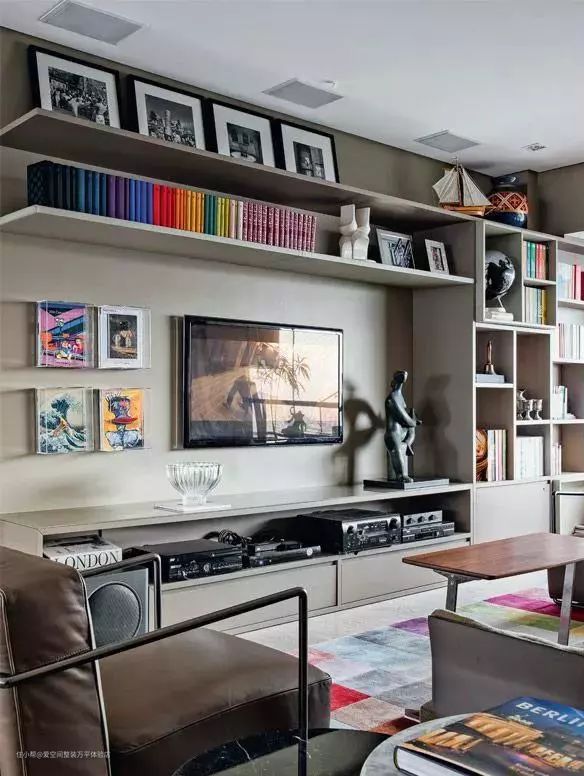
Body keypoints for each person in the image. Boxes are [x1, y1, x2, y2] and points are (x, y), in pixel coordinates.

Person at [384, 370, 422, 483]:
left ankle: (408, 443)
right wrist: (413, 422)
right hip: (393, 433)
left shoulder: (399, 395)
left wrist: (413, 421)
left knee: (411, 427)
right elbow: (402, 417)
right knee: (397, 451)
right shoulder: (391, 398)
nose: (404, 375)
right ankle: (401, 475)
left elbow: (406, 418)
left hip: (402, 431)